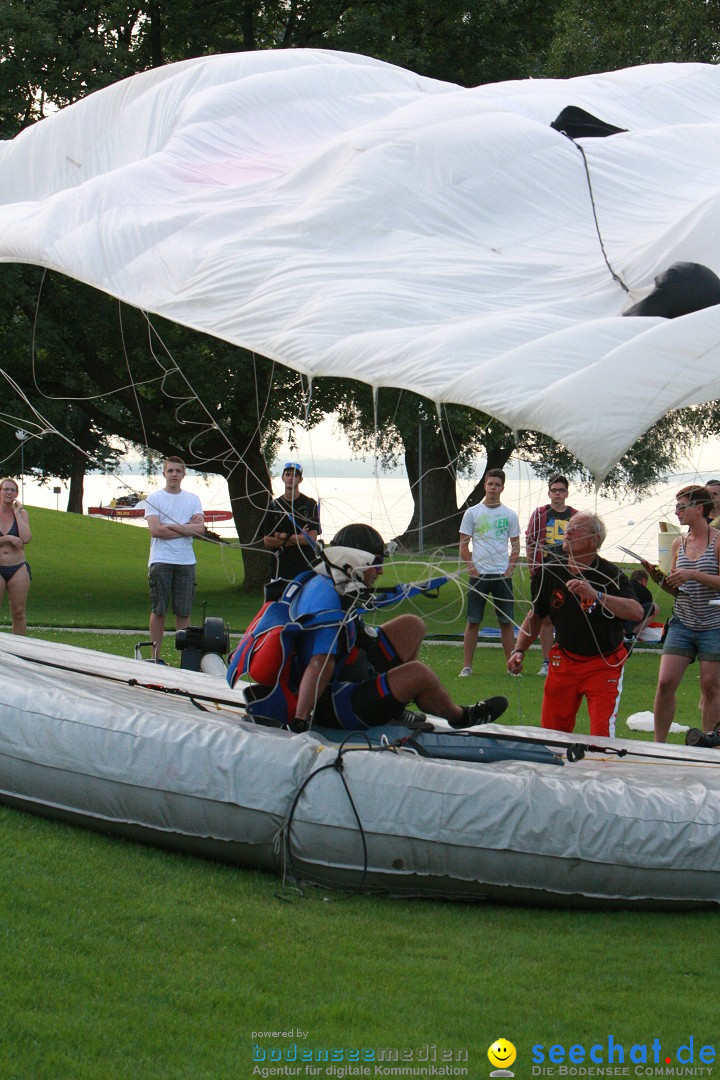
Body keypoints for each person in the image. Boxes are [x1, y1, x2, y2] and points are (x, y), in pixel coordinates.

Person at [232, 522, 508, 732]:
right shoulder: (328, 605)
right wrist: (301, 722)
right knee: (418, 674)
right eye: (376, 564)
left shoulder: (333, 580)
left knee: (411, 626)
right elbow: (319, 664)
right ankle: (461, 716)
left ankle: (394, 708)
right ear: (354, 562)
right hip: (334, 704)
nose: (381, 571)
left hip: (347, 673)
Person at [508, 512, 642, 737]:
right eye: (568, 526)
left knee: (601, 735)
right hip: (565, 660)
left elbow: (636, 611)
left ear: (594, 540)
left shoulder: (611, 574)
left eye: (576, 528)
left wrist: (597, 595)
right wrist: (519, 649)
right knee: (552, 735)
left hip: (603, 663)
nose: (567, 531)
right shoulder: (549, 570)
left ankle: (601, 770)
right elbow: (536, 616)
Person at [645, 485, 720, 742]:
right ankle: (659, 746)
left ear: (699, 509)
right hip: (682, 622)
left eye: (681, 506)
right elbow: (678, 589)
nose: (676, 512)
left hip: (714, 624)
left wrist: (693, 574)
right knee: (665, 683)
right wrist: (660, 580)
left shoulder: (718, 541)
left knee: (711, 687)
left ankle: (709, 745)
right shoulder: (679, 542)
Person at [458, 468, 520, 675]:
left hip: (501, 576)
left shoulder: (509, 515)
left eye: (497, 484)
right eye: (490, 484)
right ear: (484, 485)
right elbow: (463, 546)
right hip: (479, 576)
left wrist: (510, 568)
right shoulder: (472, 513)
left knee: (506, 622)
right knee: (473, 621)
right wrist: (471, 567)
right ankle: (467, 666)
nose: (493, 488)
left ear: (503, 487)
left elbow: (516, 546)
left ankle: (511, 666)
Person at [144, 456, 205, 661]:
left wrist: (171, 526)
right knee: (159, 610)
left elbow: (200, 530)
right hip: (161, 560)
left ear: (184, 474)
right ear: (164, 473)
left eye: (178, 471)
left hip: (186, 561)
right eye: (170, 471)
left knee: (183, 612)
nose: (174, 475)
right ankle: (156, 656)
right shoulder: (154, 499)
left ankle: (185, 659)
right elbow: (155, 530)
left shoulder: (192, 499)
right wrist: (186, 527)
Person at [525, 475, 578, 676]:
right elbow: (530, 543)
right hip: (544, 571)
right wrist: (533, 568)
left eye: (561, 490)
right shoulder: (540, 514)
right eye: (554, 490)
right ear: (549, 493)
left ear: (566, 493)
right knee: (544, 617)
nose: (557, 493)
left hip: (567, 572)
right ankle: (547, 661)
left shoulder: (574, 515)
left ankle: (567, 657)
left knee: (568, 615)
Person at [260, 461, 320, 582]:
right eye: (287, 474)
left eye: (295, 475)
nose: (290, 478)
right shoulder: (274, 506)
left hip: (305, 570)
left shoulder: (310, 505)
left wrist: (282, 536)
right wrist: (300, 538)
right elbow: (267, 541)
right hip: (280, 570)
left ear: (300, 479)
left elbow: (311, 539)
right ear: (282, 478)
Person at [0, 477, 31, 635]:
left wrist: (18, 515)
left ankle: (21, 652)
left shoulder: (22, 513)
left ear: (17, 494)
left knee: (19, 613)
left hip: (17, 567)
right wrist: (7, 538)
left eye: (12, 490)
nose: (9, 492)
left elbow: (26, 538)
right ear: (0, 492)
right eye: (6, 489)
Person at [623, 569, 660, 645]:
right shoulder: (645, 592)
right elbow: (646, 614)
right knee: (654, 607)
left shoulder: (623, 585)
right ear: (643, 580)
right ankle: (631, 634)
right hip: (628, 623)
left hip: (615, 622)